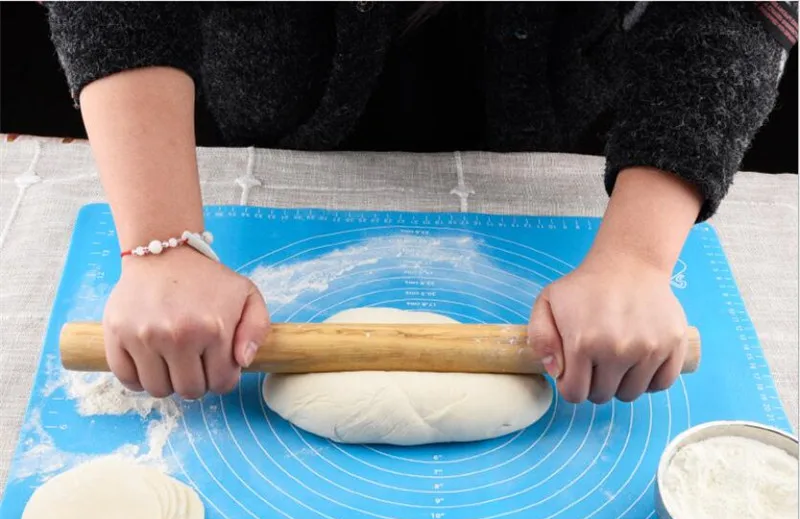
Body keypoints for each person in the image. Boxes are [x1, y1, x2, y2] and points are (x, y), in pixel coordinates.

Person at [45, 2, 796, 404]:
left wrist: (635, 260)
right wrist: (162, 242)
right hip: (265, 119)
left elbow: (731, 11)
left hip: (550, 124)